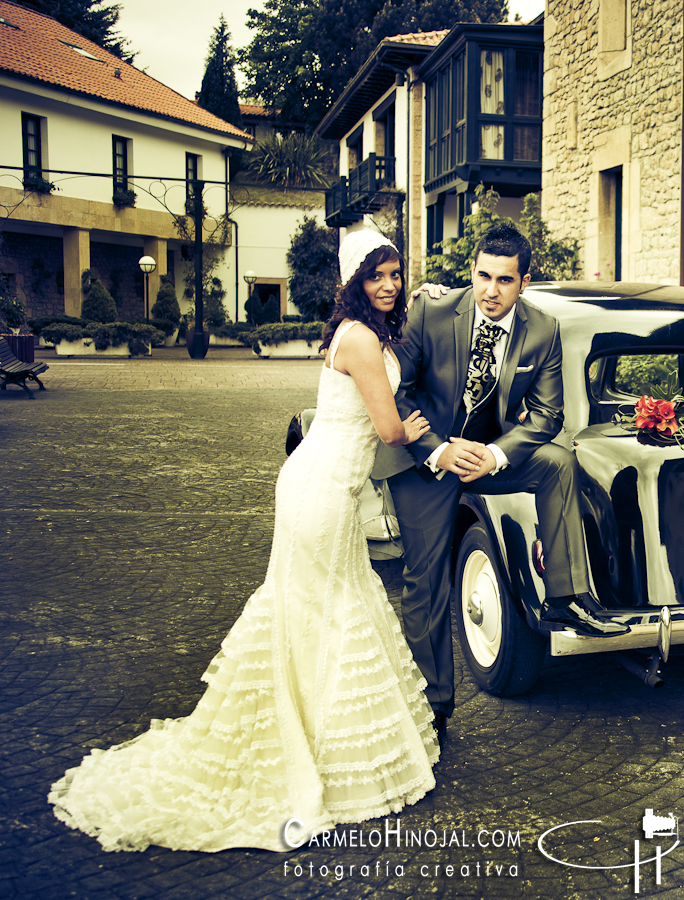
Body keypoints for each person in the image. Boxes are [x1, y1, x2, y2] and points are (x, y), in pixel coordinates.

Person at [48, 229, 439, 854]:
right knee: (320, 608)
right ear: (354, 282)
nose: (389, 285)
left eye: (395, 273)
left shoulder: (358, 331)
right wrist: (412, 425)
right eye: (377, 276)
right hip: (322, 489)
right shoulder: (362, 338)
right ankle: (307, 746)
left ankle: (324, 737)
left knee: (323, 605)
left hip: (323, 484)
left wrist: (423, 300)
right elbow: (389, 428)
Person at [374, 223, 626, 748]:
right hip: (428, 459)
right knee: (425, 583)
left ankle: (563, 595)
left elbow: (549, 415)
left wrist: (492, 455)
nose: (491, 290)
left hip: (490, 457)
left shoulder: (543, 329)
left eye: (505, 280)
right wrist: (440, 449)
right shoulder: (432, 311)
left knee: (558, 461)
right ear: (473, 272)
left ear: (524, 282)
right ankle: (434, 707)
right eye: (483, 276)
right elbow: (398, 392)